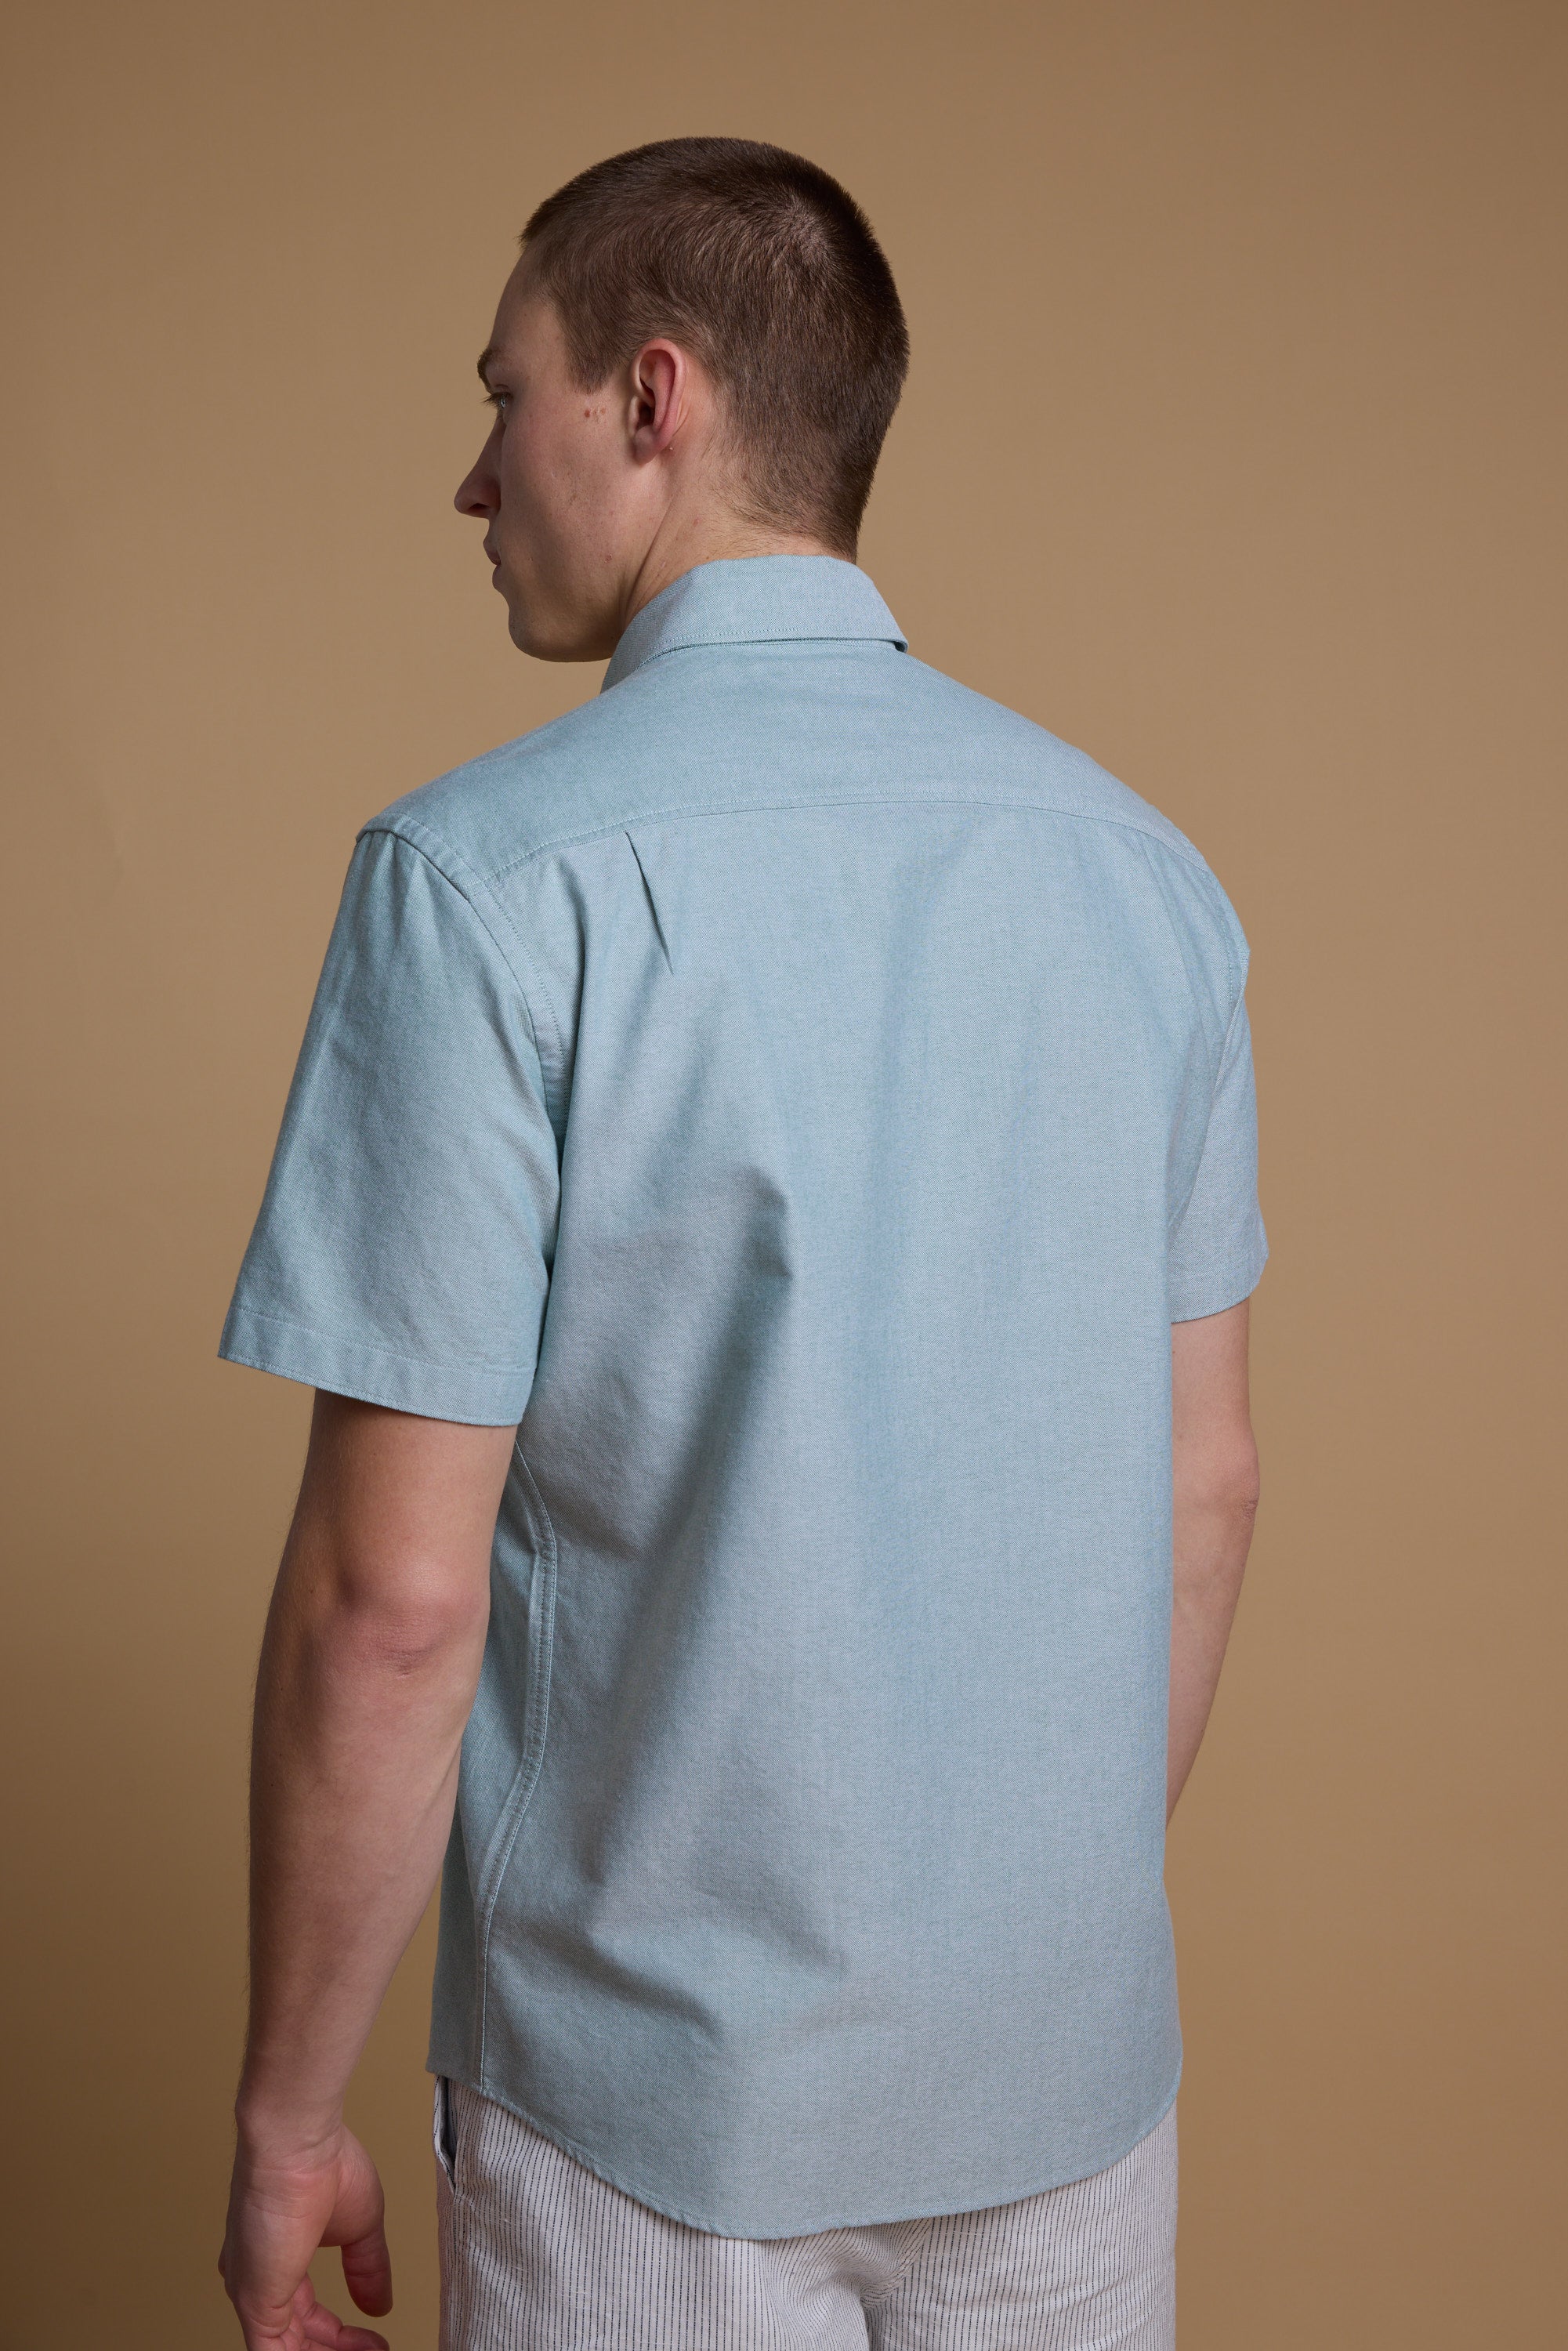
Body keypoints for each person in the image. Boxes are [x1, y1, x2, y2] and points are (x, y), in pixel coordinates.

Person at [216, 136, 1265, 2351]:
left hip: (647, 2122)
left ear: (650, 398)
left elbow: (394, 1605)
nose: (473, 478)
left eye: (505, 394)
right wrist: (1002, 1945)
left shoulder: (484, 881)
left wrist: (289, 2112)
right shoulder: (1143, 877)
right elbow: (1203, 1487)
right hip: (1064, 2090)